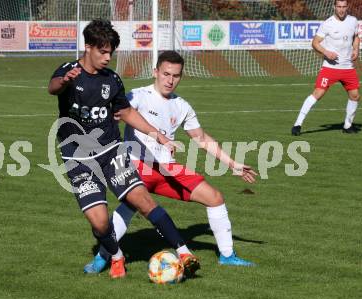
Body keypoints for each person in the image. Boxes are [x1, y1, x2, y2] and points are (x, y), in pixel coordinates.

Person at [48, 20, 199, 279]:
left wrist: (158, 136)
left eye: (111, 53)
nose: (107, 58)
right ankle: (117, 256)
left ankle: (184, 252)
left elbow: (126, 112)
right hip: (77, 158)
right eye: (103, 52)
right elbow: (52, 89)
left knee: (143, 201)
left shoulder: (112, 80)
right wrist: (64, 81)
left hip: (110, 152)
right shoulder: (68, 71)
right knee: (99, 221)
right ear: (88, 47)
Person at [84, 50, 258, 274]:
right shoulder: (138, 95)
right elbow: (118, 113)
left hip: (167, 168)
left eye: (175, 75)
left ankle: (227, 256)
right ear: (155, 72)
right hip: (137, 165)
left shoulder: (182, 105)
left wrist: (232, 164)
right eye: (166, 74)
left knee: (215, 198)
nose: (170, 80)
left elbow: (202, 139)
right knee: (130, 206)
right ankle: (103, 257)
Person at [292, 0, 360, 135]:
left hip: (348, 68)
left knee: (355, 96)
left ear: (347, 7)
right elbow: (315, 43)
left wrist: (356, 49)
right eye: (339, 7)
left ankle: (347, 126)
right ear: (334, 7)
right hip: (330, 68)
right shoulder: (327, 24)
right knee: (318, 94)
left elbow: (356, 37)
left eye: (344, 7)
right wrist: (326, 52)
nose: (341, 9)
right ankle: (297, 124)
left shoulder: (353, 21)